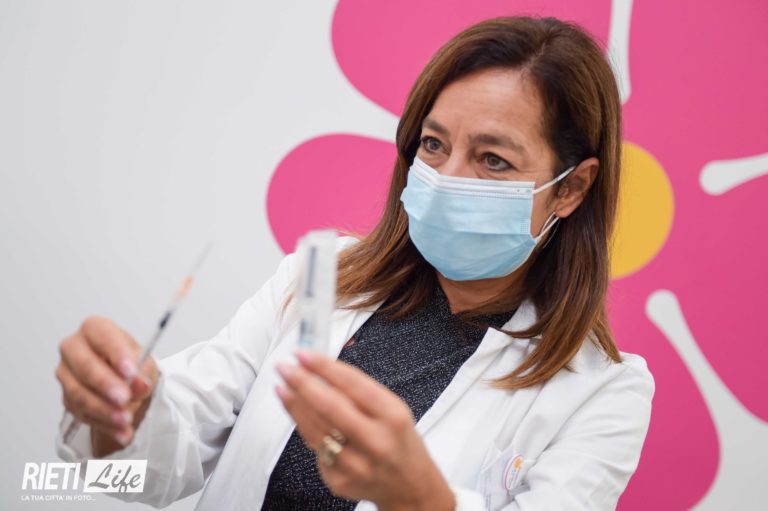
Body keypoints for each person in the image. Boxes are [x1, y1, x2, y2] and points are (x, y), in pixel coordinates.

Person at [55, 16, 654, 510]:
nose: (447, 179)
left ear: (571, 188)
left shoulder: (601, 393)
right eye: (434, 144)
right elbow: (150, 469)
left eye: (492, 159)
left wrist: (422, 499)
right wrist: (119, 417)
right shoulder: (320, 281)